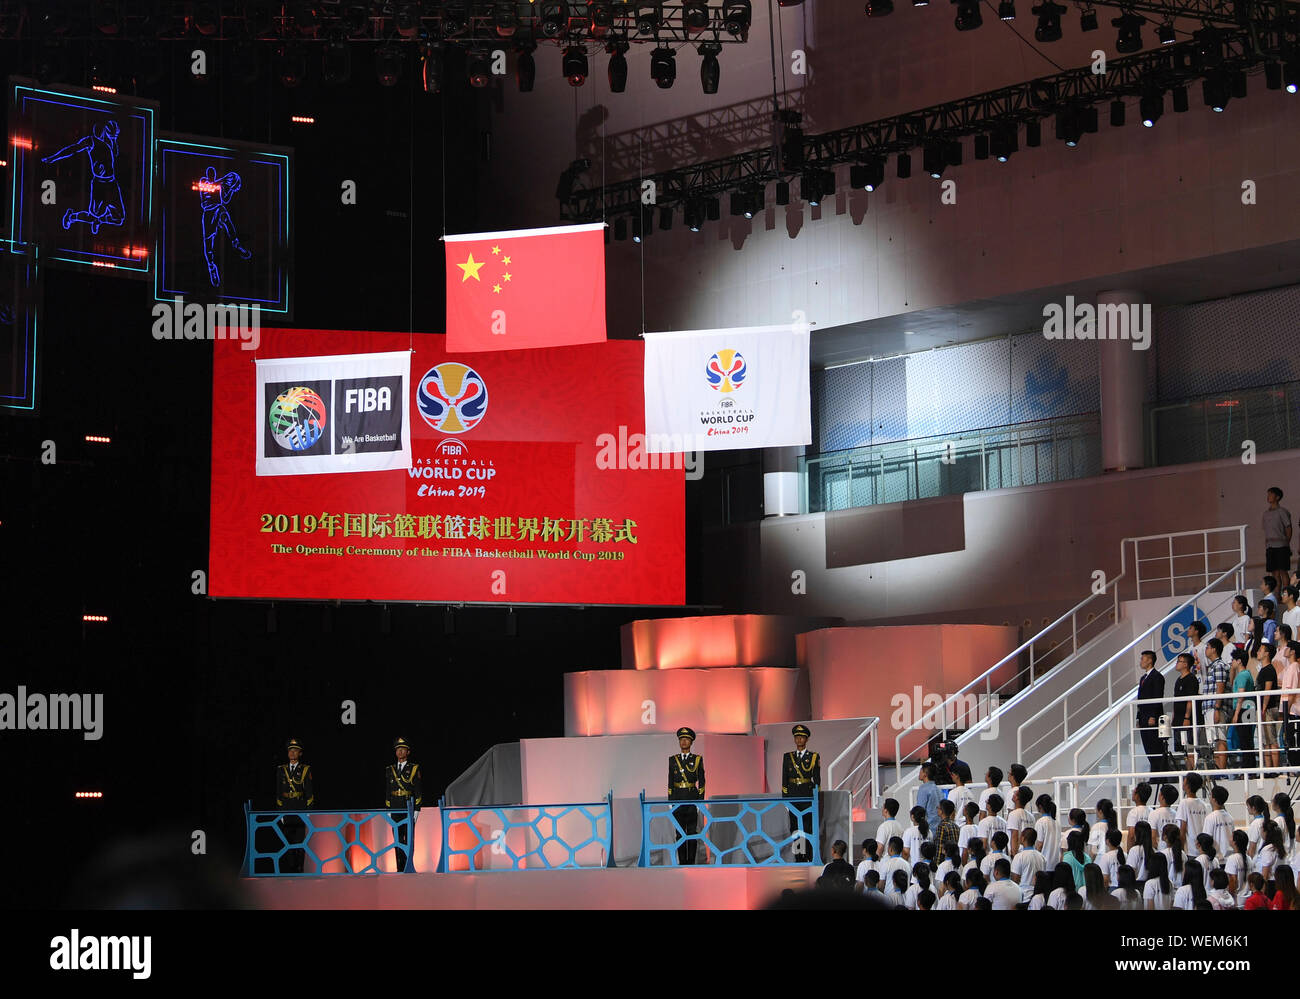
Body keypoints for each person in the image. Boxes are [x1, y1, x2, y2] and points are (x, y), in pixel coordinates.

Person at [274, 737, 314, 874]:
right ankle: (290, 869)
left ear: (300, 753)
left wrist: (308, 813)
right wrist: (280, 813)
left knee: (300, 843)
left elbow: (309, 793)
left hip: (300, 808)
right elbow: (279, 793)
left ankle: (299, 868)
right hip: (286, 809)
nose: (292, 753)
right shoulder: (281, 770)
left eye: (295, 750)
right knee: (287, 842)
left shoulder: (305, 770)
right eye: (290, 750)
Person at [384, 737, 423, 872]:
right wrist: (388, 809)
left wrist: (416, 811)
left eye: (403, 749)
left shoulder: (413, 768)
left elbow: (417, 791)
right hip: (395, 807)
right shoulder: (390, 769)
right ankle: (399, 868)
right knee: (397, 840)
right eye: (398, 750)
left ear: (408, 752)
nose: (400, 752)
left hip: (407, 807)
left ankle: (408, 866)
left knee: (408, 839)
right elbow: (388, 791)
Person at [782, 724, 819, 862]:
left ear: (806, 739)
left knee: (808, 827)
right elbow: (784, 779)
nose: (799, 740)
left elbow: (817, 780)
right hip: (793, 796)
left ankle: (808, 856)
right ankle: (798, 856)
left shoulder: (813, 757)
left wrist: (815, 798)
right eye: (796, 737)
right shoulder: (787, 757)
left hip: (807, 796)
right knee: (795, 828)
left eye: (801, 737)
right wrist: (785, 799)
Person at [668, 727, 705, 865]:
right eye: (681, 739)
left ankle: (691, 862)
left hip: (691, 799)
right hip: (677, 799)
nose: (683, 742)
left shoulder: (697, 760)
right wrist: (670, 801)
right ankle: (682, 862)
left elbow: (702, 781)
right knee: (679, 833)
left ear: (691, 742)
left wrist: (699, 802)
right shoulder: (673, 760)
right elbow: (670, 782)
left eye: (686, 739)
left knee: (692, 833)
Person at [1201, 638, 1231, 770]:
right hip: (1210, 707)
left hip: (1215, 707)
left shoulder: (1219, 665)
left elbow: (1220, 686)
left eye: (1207, 647)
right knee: (1214, 739)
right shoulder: (1213, 666)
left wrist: (1217, 708)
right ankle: (1218, 768)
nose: (1206, 649)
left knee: (1220, 738)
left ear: (1214, 649)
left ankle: (1221, 769)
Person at [1136, 650, 1167, 771]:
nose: (1141, 662)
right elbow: (1140, 699)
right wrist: (1138, 717)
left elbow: (1157, 697)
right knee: (1147, 746)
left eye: (1143, 659)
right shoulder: (1143, 678)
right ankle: (1154, 771)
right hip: (1143, 716)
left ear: (1149, 660)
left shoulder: (1157, 677)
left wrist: (1153, 716)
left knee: (1155, 745)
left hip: (1152, 717)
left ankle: (1160, 773)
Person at [1169, 654, 1199, 769]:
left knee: (1189, 746)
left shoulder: (1191, 679)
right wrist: (1174, 716)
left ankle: (1192, 771)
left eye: (1179, 661)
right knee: (1182, 749)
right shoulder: (1178, 680)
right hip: (1178, 719)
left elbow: (1190, 700)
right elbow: (1176, 699)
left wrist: (1187, 717)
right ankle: (1187, 771)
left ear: (1186, 664)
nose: (1177, 663)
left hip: (1186, 720)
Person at [1256, 643, 1281, 773]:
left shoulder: (1269, 669)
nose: (1258, 652)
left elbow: (1268, 690)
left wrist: (1263, 708)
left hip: (1268, 708)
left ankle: (1275, 770)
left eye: (1260, 650)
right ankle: (1269, 769)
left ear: (1267, 653)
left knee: (1271, 739)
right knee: (1265, 741)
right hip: (1264, 708)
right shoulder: (1263, 669)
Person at [1229, 649, 1256, 764]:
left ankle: (1248, 768)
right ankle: (1250, 767)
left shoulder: (1242, 675)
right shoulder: (1247, 674)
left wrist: (1236, 714)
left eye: (1233, 660)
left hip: (1244, 709)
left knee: (1245, 739)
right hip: (1248, 707)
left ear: (1239, 661)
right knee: (1247, 739)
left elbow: (1241, 696)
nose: (1231, 662)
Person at [1263, 487, 1293, 590]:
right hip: (1270, 547)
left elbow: (1288, 528)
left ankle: (1287, 593)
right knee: (1274, 572)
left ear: (1277, 497)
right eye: (1268, 494)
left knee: (1283, 571)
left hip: (1281, 546)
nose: (1268, 497)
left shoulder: (1282, 511)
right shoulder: (1265, 514)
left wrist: (1286, 543)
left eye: (1271, 494)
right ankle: (1277, 596)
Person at [1010, 827, 1046, 902]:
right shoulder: (1042, 857)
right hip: (1038, 896)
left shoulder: (1019, 856)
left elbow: (1015, 879)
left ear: (1023, 838)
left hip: (1024, 896)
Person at [1202, 785, 1234, 859]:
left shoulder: (1210, 818)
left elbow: (1206, 840)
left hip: (1217, 858)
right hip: (1229, 857)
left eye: (1210, 795)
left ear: (1214, 799)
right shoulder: (1230, 817)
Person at [1177, 772, 1208, 848]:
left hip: (1190, 847)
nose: (1182, 782)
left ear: (1188, 785)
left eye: (1184, 780)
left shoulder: (1184, 803)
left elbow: (1183, 828)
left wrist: (1181, 848)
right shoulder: (1203, 804)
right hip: (1202, 846)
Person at [1226, 829, 1254, 906]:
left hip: (1237, 900)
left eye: (1231, 836)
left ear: (1235, 842)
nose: (1229, 838)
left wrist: (1230, 898)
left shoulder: (1232, 858)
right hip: (1248, 898)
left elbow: (1233, 881)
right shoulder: (1249, 859)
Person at [1035, 795, 1061, 867]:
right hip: (1056, 862)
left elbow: (1039, 844)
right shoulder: (1056, 822)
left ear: (1040, 806)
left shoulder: (1041, 822)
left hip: (1045, 863)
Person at [1006, 787, 1034, 854]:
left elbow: (1014, 836)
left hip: (1018, 853)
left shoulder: (1013, 814)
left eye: (1015, 793)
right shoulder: (1031, 816)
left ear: (1017, 798)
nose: (1013, 793)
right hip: (1029, 851)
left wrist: (1014, 855)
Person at [915, 762, 942, 833]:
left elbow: (920, 810)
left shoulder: (923, 789)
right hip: (939, 827)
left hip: (928, 828)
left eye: (921, 770)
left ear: (925, 774)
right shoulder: (938, 789)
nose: (919, 773)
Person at [1126, 783, 1152, 850]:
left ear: (1137, 795)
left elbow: (1131, 836)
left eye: (1134, 792)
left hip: (1138, 849)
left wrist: (1129, 851)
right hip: (1149, 847)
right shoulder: (1151, 811)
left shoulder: (1133, 812)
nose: (1132, 793)